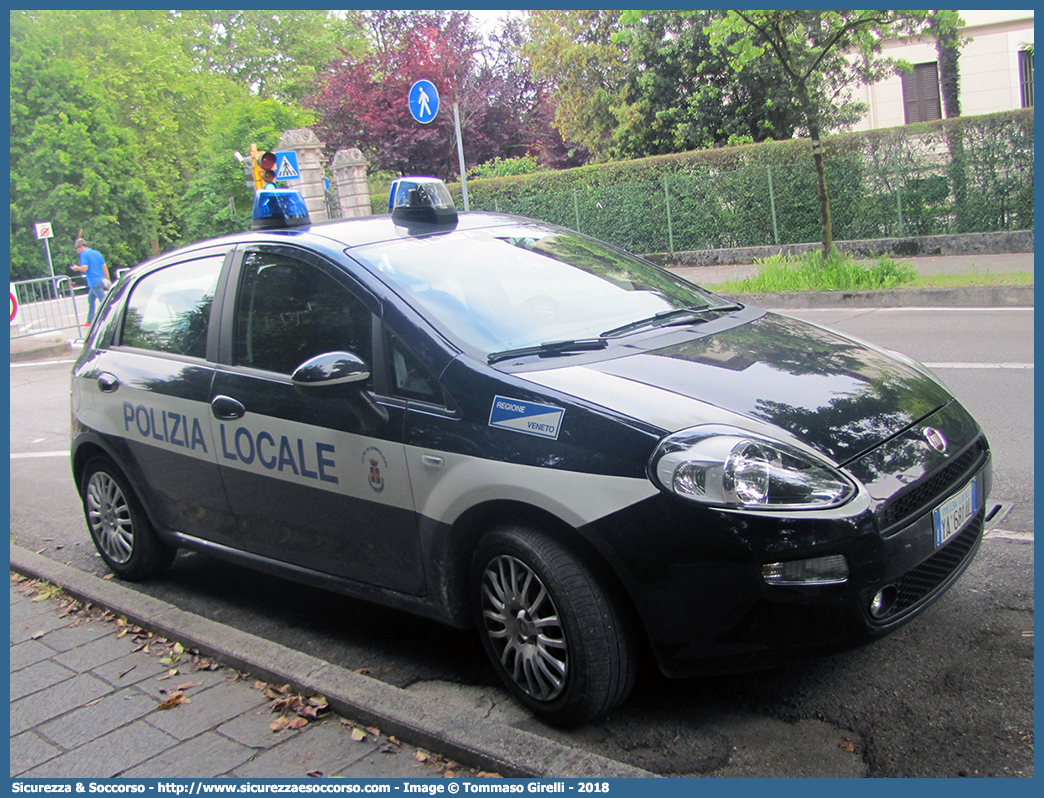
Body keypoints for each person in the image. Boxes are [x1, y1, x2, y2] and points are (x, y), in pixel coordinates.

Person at [71, 237, 111, 326]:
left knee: (104, 301)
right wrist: (108, 280)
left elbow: (85, 268)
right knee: (91, 299)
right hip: (101, 279)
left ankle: (111, 316)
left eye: (77, 249)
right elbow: (104, 267)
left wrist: (77, 268)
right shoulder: (97, 253)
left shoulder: (84, 254)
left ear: (81, 247)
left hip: (94, 281)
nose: (77, 251)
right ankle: (89, 321)